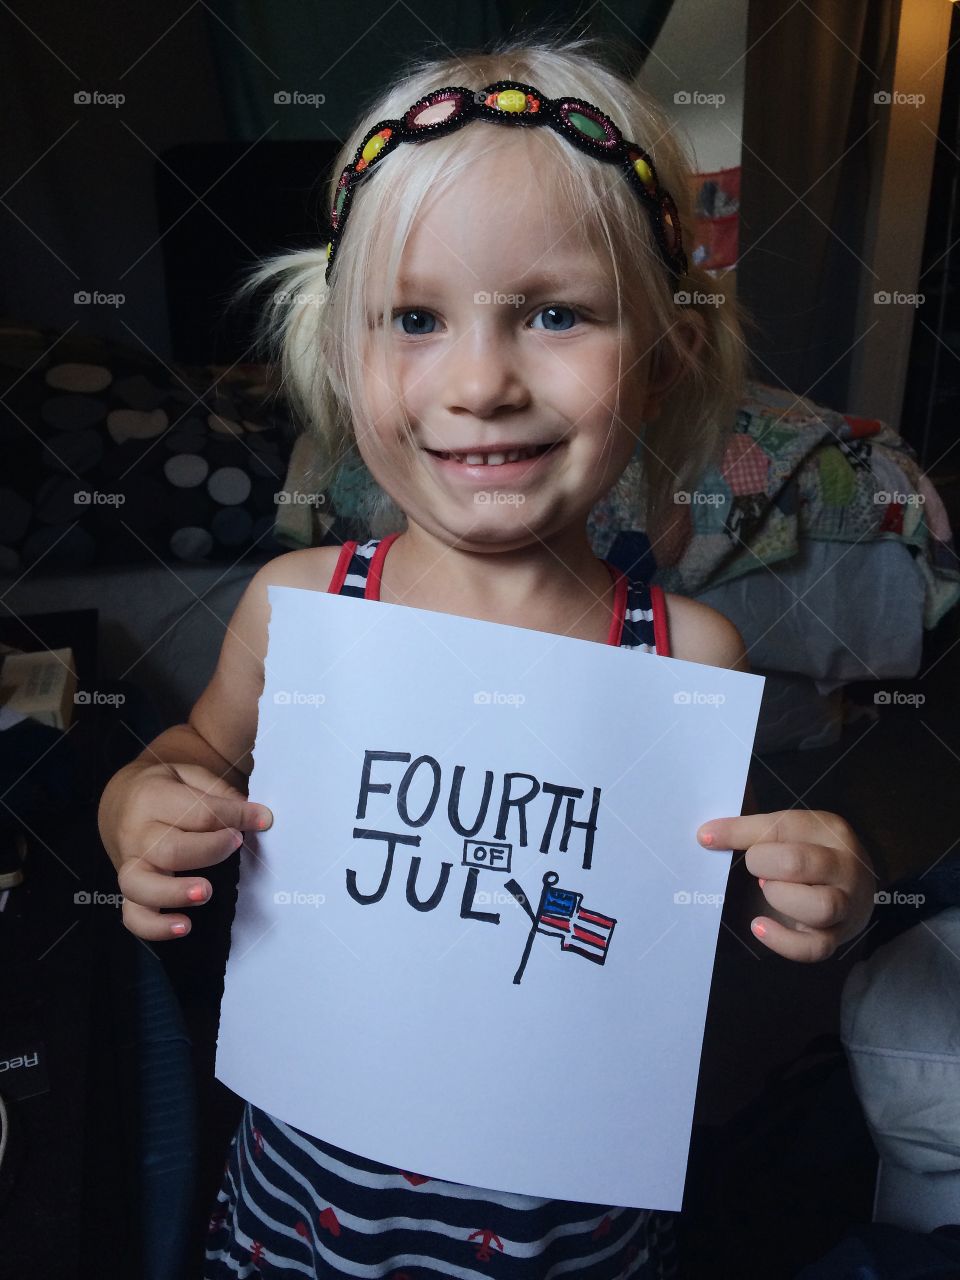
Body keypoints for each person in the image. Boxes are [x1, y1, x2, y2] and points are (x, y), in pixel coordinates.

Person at [98, 36, 877, 1280]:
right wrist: (138, 798)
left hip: (572, 1230)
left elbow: (679, 899)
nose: (479, 381)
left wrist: (808, 885)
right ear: (349, 357)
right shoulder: (302, 606)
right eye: (415, 317)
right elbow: (194, 745)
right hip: (307, 1215)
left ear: (666, 352)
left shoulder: (685, 649)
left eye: (556, 313)